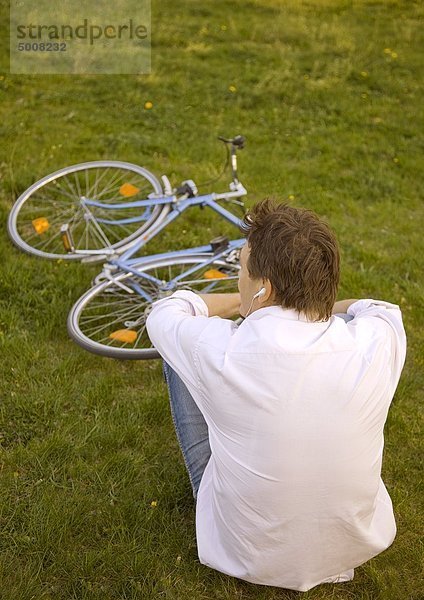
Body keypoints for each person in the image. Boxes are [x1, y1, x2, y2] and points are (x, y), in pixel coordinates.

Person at [146, 199, 406, 592]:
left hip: (242, 550)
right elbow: (377, 309)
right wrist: (311, 306)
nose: (238, 278)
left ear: (263, 287)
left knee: (179, 352)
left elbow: (167, 312)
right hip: (352, 545)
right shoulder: (378, 340)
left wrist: (244, 307)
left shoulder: (220, 349)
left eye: (241, 269)